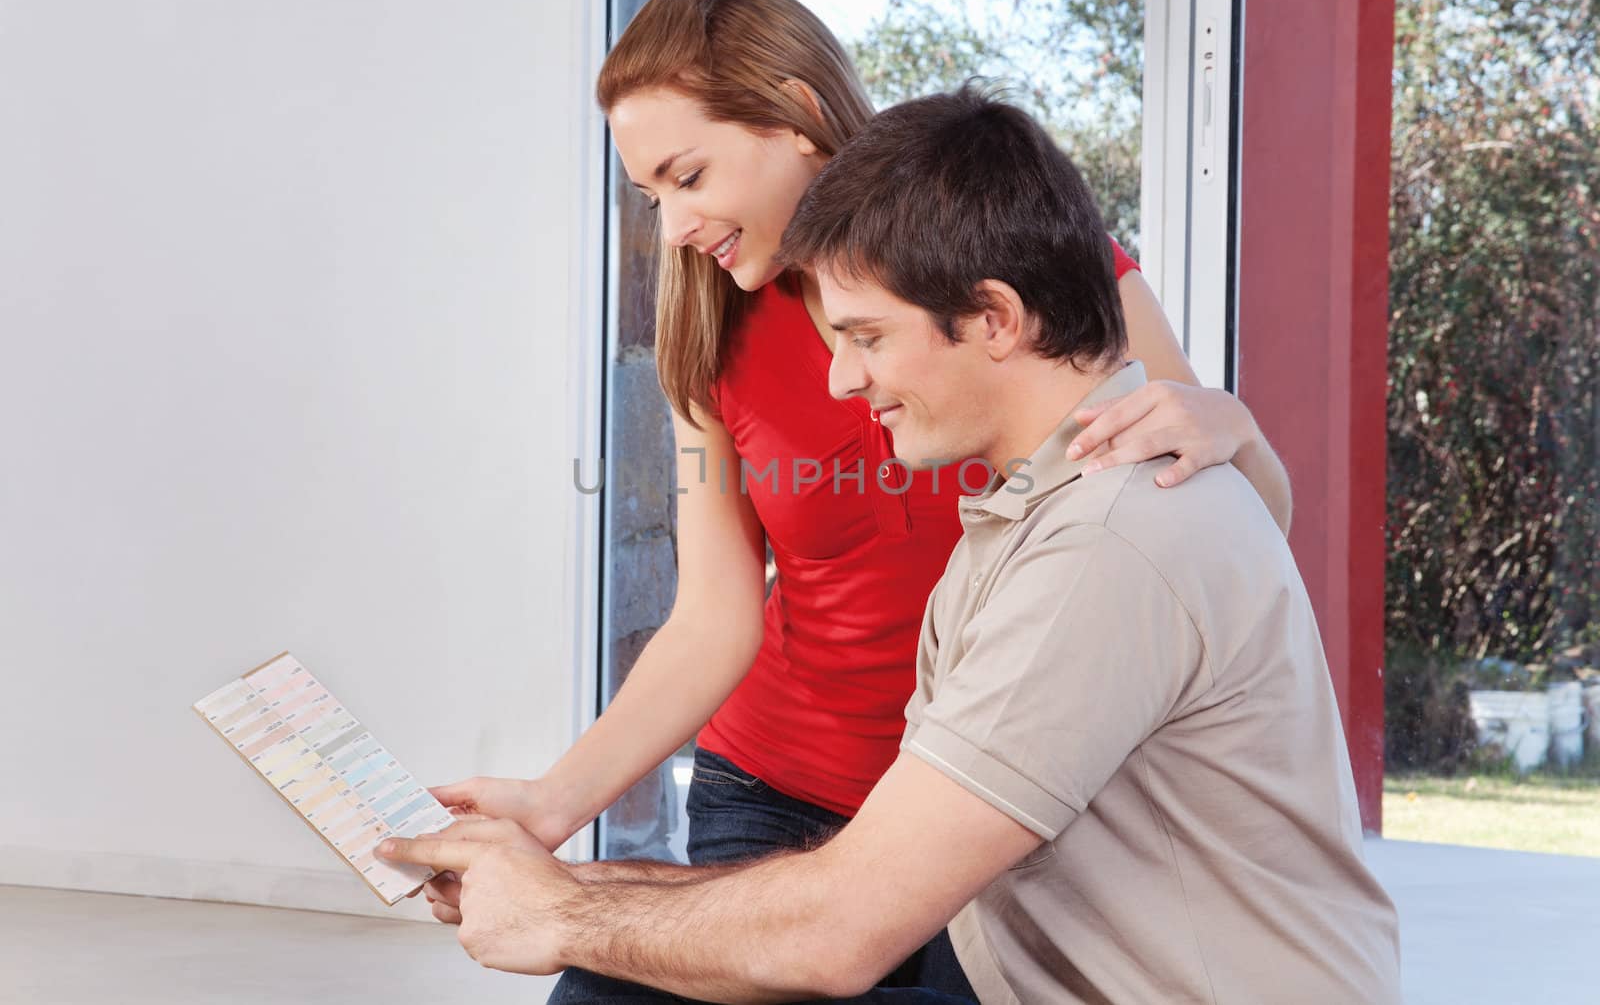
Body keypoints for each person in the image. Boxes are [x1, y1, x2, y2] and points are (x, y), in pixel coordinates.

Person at [381, 85, 1401, 1003]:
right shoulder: (1020, 515)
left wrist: (559, 913)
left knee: (619, 980)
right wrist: (558, 882)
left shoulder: (1105, 543)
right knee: (630, 980)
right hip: (1007, 957)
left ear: (994, 318)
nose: (840, 382)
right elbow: (850, 878)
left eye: (866, 338)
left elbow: (838, 930)